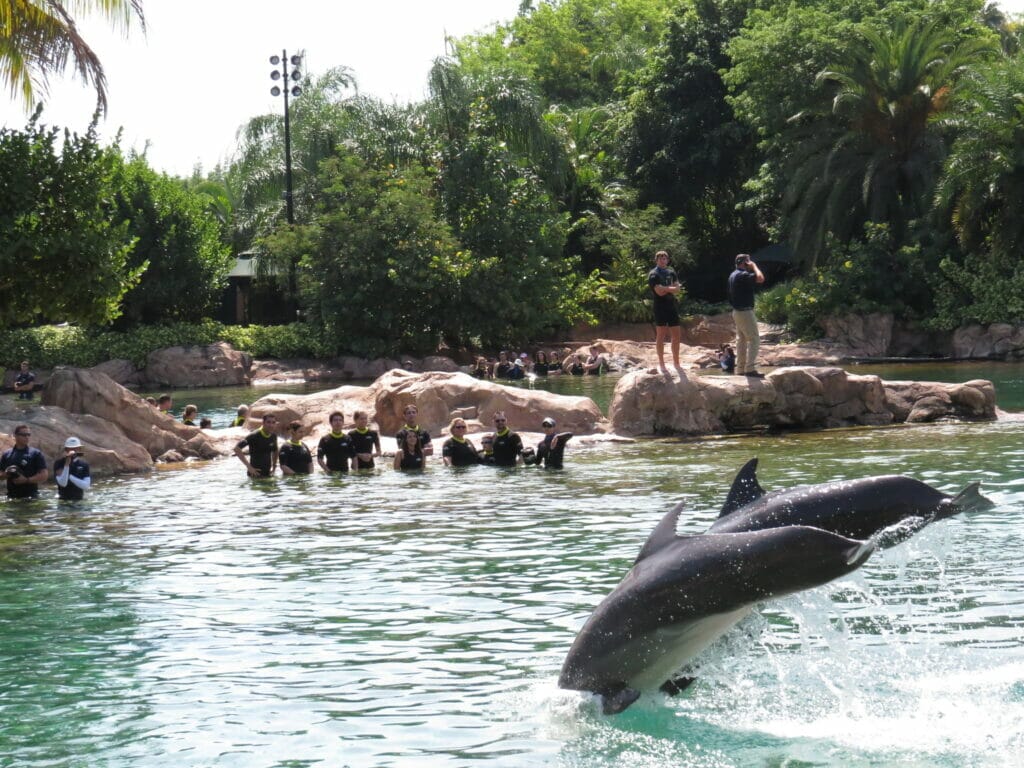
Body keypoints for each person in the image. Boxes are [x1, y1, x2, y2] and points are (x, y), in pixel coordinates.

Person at [728, 253, 766, 378]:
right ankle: (750, 369)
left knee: (742, 341)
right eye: (748, 261)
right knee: (754, 339)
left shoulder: (733, 275)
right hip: (745, 312)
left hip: (736, 312)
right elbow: (760, 278)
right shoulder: (743, 274)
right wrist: (754, 266)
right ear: (745, 262)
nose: (750, 263)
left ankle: (740, 369)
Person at [649, 250, 682, 369]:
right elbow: (659, 292)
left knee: (676, 335)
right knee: (661, 335)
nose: (663, 261)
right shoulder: (653, 274)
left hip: (671, 306)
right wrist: (671, 288)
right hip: (659, 307)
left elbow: (678, 289)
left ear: (667, 260)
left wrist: (665, 288)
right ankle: (662, 364)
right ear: (656, 260)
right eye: (660, 259)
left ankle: (676, 363)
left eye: (665, 259)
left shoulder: (671, 272)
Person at [1, 424, 48, 498]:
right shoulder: (7, 454)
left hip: (31, 497)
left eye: (28, 434)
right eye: (23, 435)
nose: (27, 437)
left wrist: (26, 480)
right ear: (15, 436)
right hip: (11, 497)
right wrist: (7, 474)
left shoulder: (35, 453)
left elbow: (44, 475)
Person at [234, 413, 279, 478]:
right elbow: (237, 448)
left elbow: (275, 450)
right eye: (268, 422)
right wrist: (249, 467)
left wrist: (274, 466)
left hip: (268, 473)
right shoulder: (254, 435)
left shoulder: (273, 436)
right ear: (263, 423)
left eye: (273, 422)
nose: (271, 425)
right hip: (255, 475)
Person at [54, 436, 91, 500]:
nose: (73, 451)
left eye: (75, 448)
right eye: (70, 449)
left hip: (79, 499)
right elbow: (63, 483)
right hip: (63, 500)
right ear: (66, 450)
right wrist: (66, 465)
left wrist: (70, 477)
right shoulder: (59, 463)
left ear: (79, 449)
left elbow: (86, 486)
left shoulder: (84, 464)